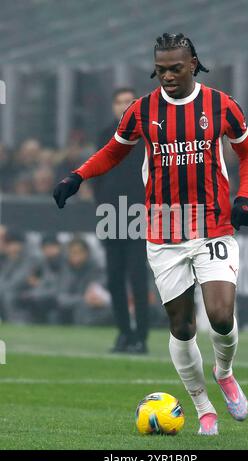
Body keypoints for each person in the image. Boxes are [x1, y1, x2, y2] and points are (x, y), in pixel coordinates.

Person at [53, 33, 248, 435]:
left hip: (213, 224)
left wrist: (245, 196)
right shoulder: (141, 110)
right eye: (160, 69)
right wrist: (77, 175)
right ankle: (203, 409)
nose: (166, 76)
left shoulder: (222, 105)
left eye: (175, 68)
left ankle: (225, 373)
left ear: (194, 64)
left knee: (219, 315)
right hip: (163, 231)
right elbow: (115, 149)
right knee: (181, 327)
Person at [92, 87, 149, 354]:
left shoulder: (148, 135)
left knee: (138, 278)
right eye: (119, 102)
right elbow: (97, 174)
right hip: (110, 214)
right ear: (113, 106)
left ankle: (142, 336)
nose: (124, 106)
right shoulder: (105, 135)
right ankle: (124, 333)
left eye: (129, 102)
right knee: (114, 279)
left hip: (139, 215)